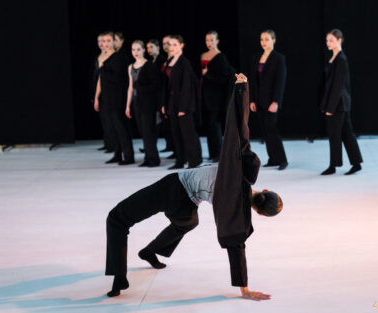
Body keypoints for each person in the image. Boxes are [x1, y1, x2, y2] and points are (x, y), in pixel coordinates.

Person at [105, 74, 282, 300]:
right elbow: (237, 246)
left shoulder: (244, 168)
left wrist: (242, 90)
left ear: (265, 190)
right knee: (188, 222)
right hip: (186, 203)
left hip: (173, 188)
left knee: (117, 218)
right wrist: (244, 289)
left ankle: (120, 275)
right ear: (258, 212)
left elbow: (240, 131)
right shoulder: (238, 212)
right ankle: (149, 251)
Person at [319, 29, 363, 175]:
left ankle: (333, 165)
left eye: (331, 40)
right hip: (338, 103)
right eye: (327, 40)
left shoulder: (341, 59)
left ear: (339, 40)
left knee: (335, 134)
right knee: (346, 133)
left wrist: (330, 107)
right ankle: (356, 163)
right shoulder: (334, 58)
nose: (328, 43)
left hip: (339, 104)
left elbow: (338, 86)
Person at [249, 29, 288, 171]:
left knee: (272, 129)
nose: (264, 42)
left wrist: (276, 101)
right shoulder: (256, 57)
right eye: (261, 39)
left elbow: (280, 81)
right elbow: (253, 81)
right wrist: (252, 100)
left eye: (267, 39)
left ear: (273, 40)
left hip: (271, 101)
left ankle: (282, 159)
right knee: (265, 131)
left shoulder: (278, 58)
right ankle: (273, 158)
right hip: (259, 100)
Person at [162, 35, 202, 169]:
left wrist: (183, 107)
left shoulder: (184, 62)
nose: (171, 47)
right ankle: (180, 160)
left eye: (174, 45)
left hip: (184, 104)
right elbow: (166, 86)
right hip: (172, 103)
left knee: (188, 133)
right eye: (170, 44)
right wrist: (164, 104)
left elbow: (187, 87)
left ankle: (195, 160)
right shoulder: (170, 61)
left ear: (181, 45)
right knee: (176, 133)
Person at [94, 32, 134, 165]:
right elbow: (100, 80)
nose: (105, 44)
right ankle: (117, 154)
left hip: (117, 98)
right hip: (107, 98)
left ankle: (128, 156)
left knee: (121, 128)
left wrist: (102, 68)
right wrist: (97, 97)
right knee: (113, 128)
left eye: (108, 41)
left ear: (113, 42)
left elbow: (118, 78)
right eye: (103, 41)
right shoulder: (103, 57)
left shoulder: (118, 57)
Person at [126, 40, 161, 167]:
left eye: (138, 49)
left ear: (143, 50)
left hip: (147, 103)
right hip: (136, 103)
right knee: (142, 131)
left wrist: (141, 88)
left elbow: (155, 85)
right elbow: (130, 87)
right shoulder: (130, 67)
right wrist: (127, 105)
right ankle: (148, 157)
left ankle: (154, 159)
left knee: (148, 131)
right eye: (133, 50)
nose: (135, 52)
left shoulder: (149, 65)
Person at [200, 30, 232, 162]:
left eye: (212, 40)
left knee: (215, 124)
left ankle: (219, 153)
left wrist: (208, 74)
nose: (209, 43)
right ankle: (212, 153)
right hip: (205, 94)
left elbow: (224, 78)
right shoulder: (203, 55)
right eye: (207, 40)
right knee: (209, 124)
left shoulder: (220, 57)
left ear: (217, 41)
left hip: (216, 97)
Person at [91, 33, 113, 153]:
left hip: (109, 93)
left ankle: (112, 144)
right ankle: (108, 143)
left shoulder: (110, 57)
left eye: (105, 41)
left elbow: (102, 77)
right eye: (100, 41)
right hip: (101, 91)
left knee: (110, 120)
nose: (102, 44)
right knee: (105, 120)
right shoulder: (99, 56)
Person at [159, 35, 175, 155]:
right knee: (167, 124)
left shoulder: (175, 59)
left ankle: (177, 149)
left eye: (168, 43)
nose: (166, 46)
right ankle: (172, 147)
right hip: (165, 94)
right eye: (164, 43)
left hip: (173, 96)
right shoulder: (166, 59)